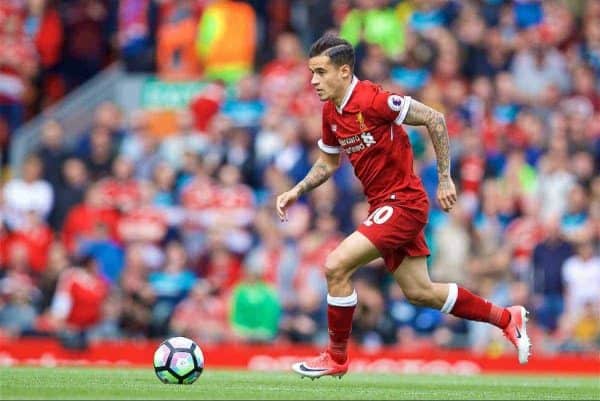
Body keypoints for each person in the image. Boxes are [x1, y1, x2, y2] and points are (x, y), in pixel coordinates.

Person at [275, 34, 531, 379]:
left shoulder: (375, 100)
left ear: (344, 71)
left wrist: (444, 178)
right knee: (420, 292)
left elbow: (435, 119)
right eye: (311, 73)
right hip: (382, 205)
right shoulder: (330, 112)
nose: (313, 81)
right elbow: (328, 163)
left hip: (403, 203)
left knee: (336, 265)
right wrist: (296, 190)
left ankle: (336, 357)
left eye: (320, 72)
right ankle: (506, 317)